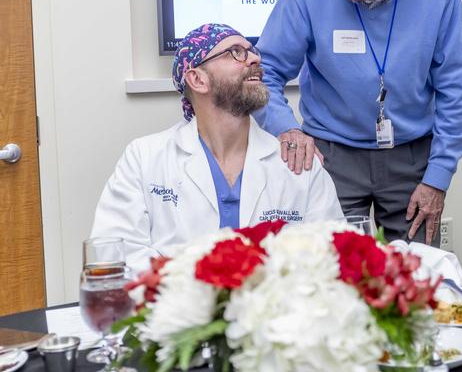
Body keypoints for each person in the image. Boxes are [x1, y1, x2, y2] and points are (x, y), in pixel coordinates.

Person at [255, 0, 462, 244]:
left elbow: (454, 89)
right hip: (330, 155)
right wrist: (287, 130)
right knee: (327, 273)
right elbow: (264, 72)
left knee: (414, 275)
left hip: (411, 156)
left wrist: (438, 177)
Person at [91, 23, 343, 272]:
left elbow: (334, 254)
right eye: (235, 52)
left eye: (252, 50)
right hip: (178, 308)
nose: (255, 58)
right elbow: (115, 253)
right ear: (197, 79)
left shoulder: (297, 160)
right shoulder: (144, 158)